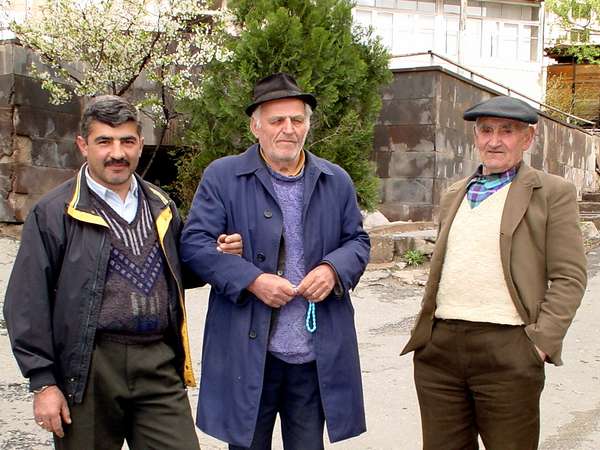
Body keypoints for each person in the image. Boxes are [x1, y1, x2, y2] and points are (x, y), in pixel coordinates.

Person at [3, 95, 242, 449]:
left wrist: (215, 253)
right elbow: (26, 302)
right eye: (105, 141)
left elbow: (180, 271)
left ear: (140, 145)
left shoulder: (162, 205)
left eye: (127, 141)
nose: (117, 153)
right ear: (83, 145)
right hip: (88, 368)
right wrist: (43, 383)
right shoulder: (54, 212)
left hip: (157, 361)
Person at [180, 72, 370, 450]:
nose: (288, 129)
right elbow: (195, 244)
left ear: (308, 125)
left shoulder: (336, 180)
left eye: (297, 120)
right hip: (250, 357)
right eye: (276, 120)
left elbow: (358, 241)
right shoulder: (224, 176)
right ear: (256, 126)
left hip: (312, 359)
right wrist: (252, 280)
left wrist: (333, 269)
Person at [401, 96, 588, 450]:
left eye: (507, 131)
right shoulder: (455, 193)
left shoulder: (552, 193)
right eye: (486, 130)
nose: (494, 140)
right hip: (439, 351)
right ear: (476, 136)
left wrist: (540, 344)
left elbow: (570, 276)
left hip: (509, 350)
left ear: (527, 139)